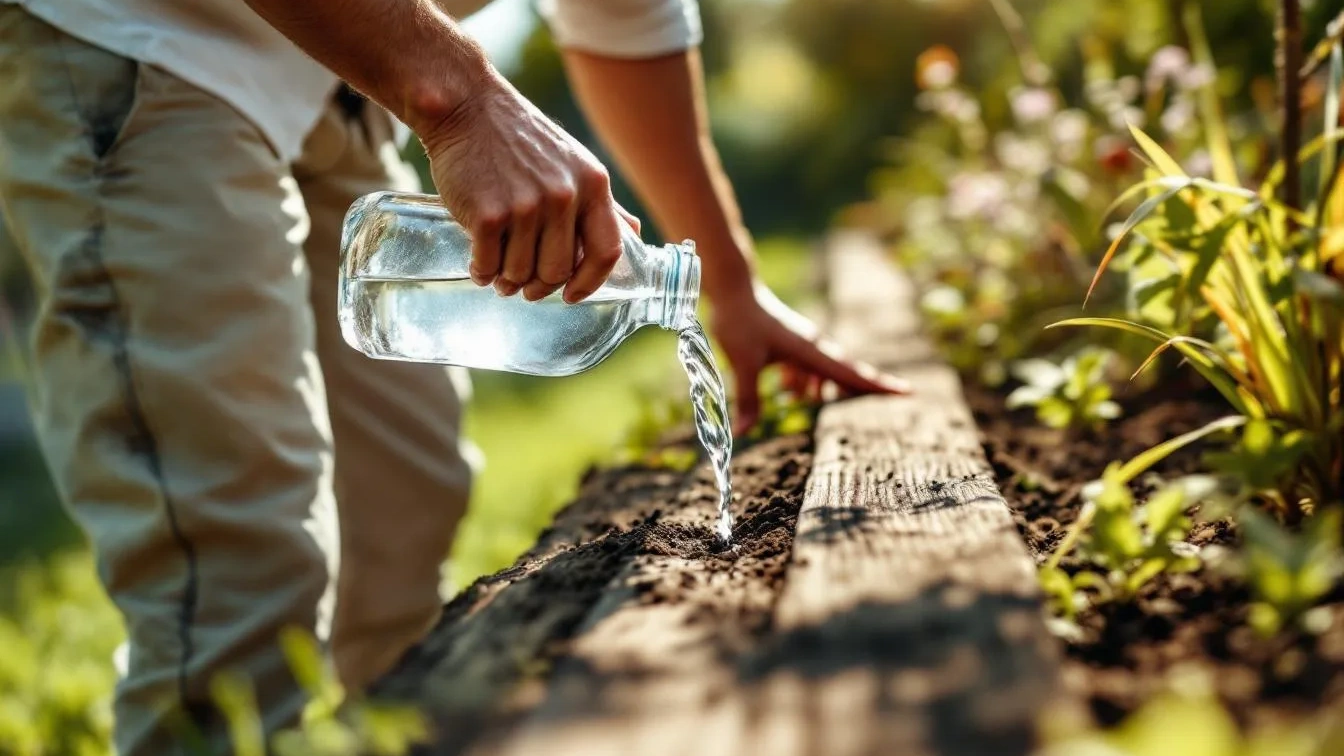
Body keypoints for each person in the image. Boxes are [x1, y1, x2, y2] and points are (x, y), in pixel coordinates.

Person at [0, 0, 908, 751]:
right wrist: (463, 102)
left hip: (343, 65)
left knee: (401, 509)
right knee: (232, 567)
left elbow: (625, 20)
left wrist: (735, 289)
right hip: (138, 37)